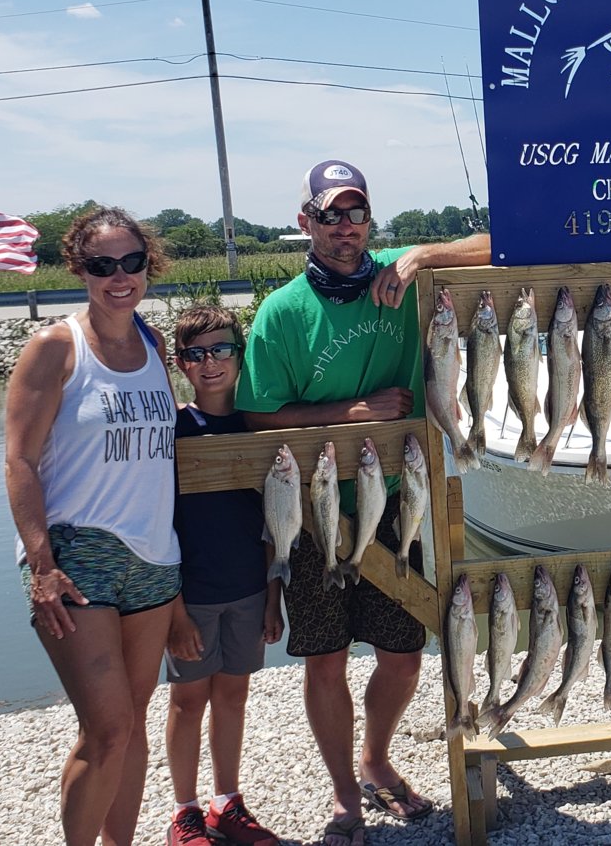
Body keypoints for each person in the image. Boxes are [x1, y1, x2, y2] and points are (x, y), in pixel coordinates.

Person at [236, 159, 490, 845]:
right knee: (324, 659)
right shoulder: (282, 311)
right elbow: (257, 415)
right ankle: (345, 793)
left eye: (357, 213)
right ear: (306, 222)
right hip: (311, 508)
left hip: (398, 503)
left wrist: (423, 256)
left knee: (403, 656)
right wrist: (346, 413)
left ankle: (376, 758)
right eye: (331, 215)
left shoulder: (402, 281)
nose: (345, 227)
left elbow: (504, 246)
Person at [5, 207, 180, 845]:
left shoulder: (154, 344)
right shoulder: (56, 347)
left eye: (132, 261)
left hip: (154, 557)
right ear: (80, 270)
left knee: (132, 726)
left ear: (148, 265)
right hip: (79, 554)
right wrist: (42, 565)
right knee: (106, 730)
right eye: (103, 265)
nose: (119, 277)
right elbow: (19, 460)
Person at [162, 305, 284, 846]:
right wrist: (174, 611)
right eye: (197, 353)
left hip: (250, 589)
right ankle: (184, 812)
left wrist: (273, 597)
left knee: (234, 698)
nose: (210, 362)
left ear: (241, 354)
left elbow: (276, 521)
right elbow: (158, 526)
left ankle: (226, 804)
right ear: (181, 363)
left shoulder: (260, 425)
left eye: (221, 349)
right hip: (191, 595)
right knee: (187, 702)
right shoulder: (172, 429)